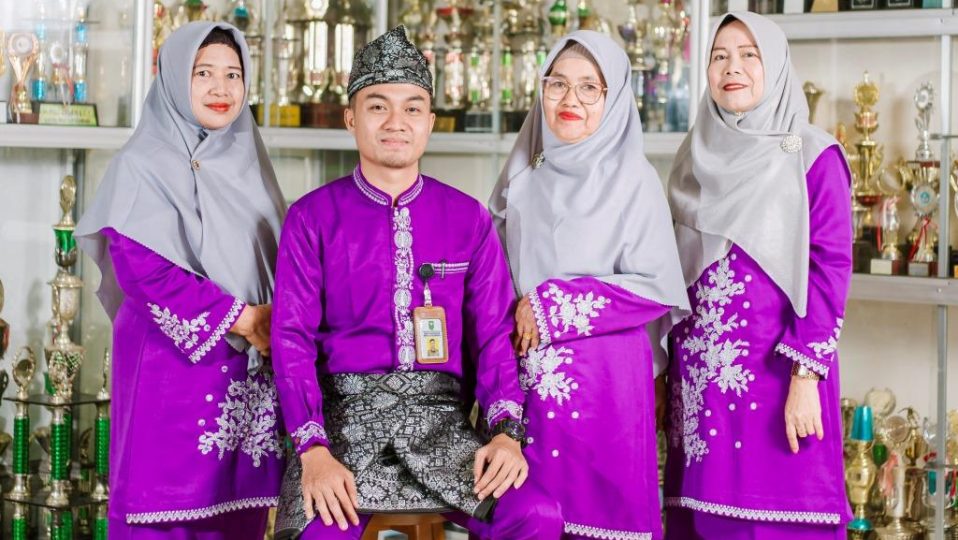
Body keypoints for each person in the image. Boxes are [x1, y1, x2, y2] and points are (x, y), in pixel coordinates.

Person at [270, 25, 562, 540]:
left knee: (536, 517)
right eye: (377, 106)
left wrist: (505, 433)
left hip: (443, 433)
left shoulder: (467, 219)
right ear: (350, 118)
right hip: (341, 436)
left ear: (430, 121)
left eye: (412, 108)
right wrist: (312, 450)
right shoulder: (311, 218)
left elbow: (493, 336)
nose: (395, 122)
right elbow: (291, 339)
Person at [75, 21, 286, 539]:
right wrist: (242, 318)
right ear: (172, 77)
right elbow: (140, 267)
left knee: (236, 515)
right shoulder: (140, 164)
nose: (220, 88)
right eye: (203, 73)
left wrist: (273, 321)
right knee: (165, 514)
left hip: (246, 372)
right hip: (171, 365)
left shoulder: (249, 162)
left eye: (233, 74)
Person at [489, 30, 690, 540]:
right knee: (528, 520)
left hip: (606, 391)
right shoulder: (523, 176)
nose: (570, 100)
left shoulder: (633, 178)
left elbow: (655, 286)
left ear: (613, 97)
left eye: (588, 88)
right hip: (527, 391)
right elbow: (495, 271)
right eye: (557, 83)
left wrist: (554, 304)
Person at [663, 12, 852, 539]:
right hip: (699, 386)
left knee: (779, 517)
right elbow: (673, 274)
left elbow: (831, 268)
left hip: (780, 376)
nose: (733, 68)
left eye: (750, 55)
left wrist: (806, 376)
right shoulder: (692, 158)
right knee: (704, 522)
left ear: (776, 65)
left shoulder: (813, 156)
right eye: (720, 56)